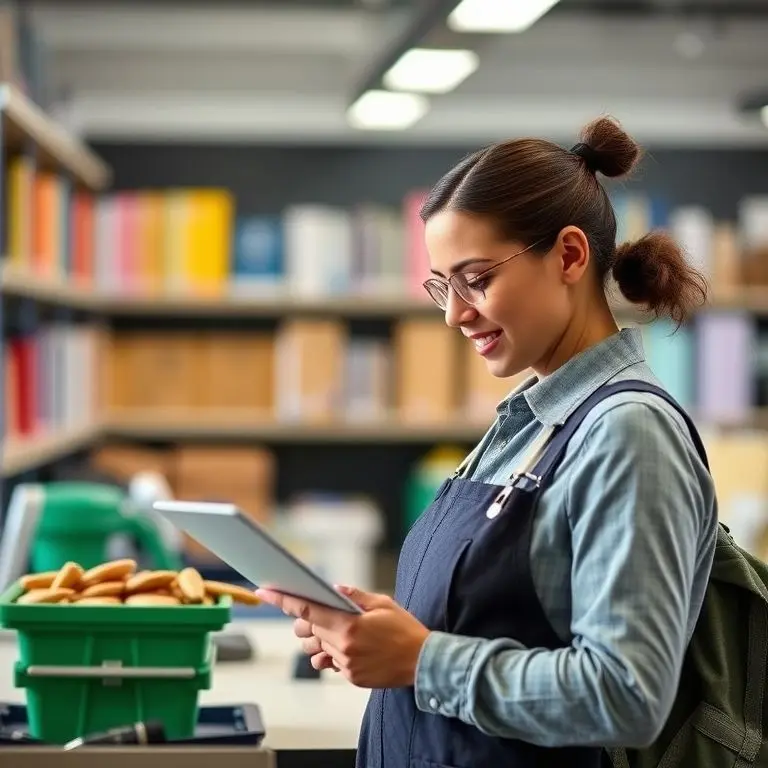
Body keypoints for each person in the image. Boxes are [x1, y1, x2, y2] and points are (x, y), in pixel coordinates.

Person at [255, 115, 718, 768]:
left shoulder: (630, 433)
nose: (453, 314)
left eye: (477, 279)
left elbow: (626, 693)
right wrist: (390, 630)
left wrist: (421, 658)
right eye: (444, 285)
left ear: (569, 256)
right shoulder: (526, 422)